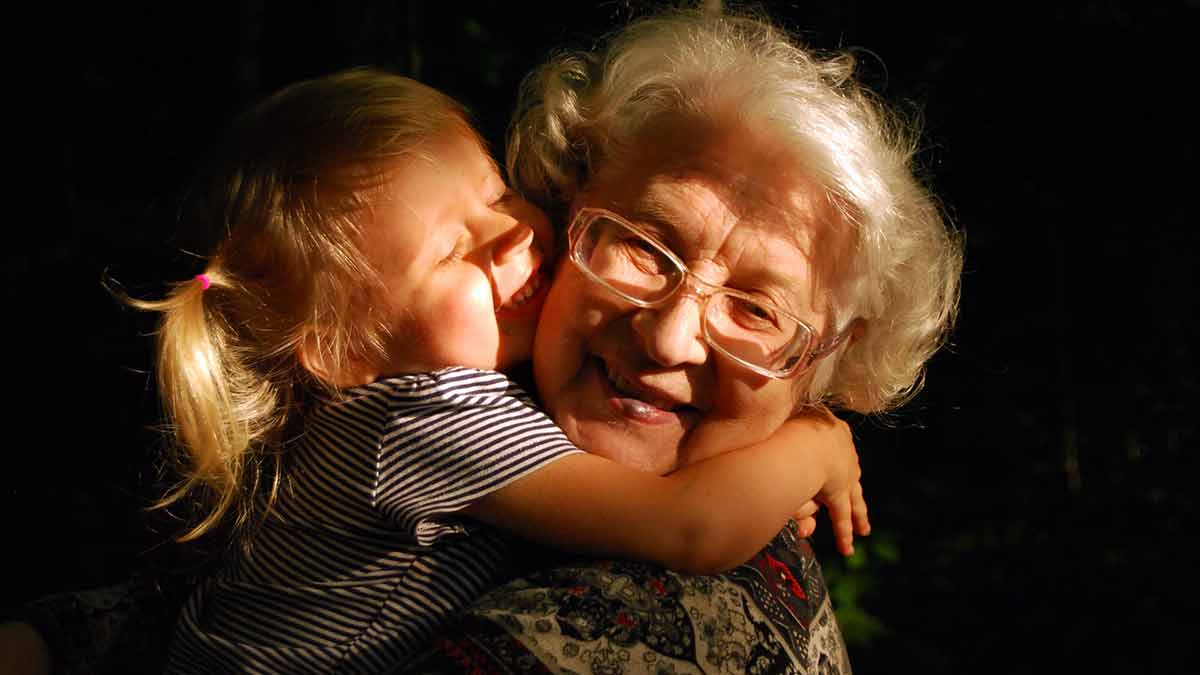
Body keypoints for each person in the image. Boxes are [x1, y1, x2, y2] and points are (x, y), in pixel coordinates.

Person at [21, 66, 862, 674]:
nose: (513, 236)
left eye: (497, 197)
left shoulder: (427, 398)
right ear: (346, 349)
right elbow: (690, 528)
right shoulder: (428, 415)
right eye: (453, 252)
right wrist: (817, 442)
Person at [402, 5, 962, 673]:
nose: (668, 341)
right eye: (643, 246)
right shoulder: (424, 390)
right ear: (564, 212)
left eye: (755, 310)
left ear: (820, 369)